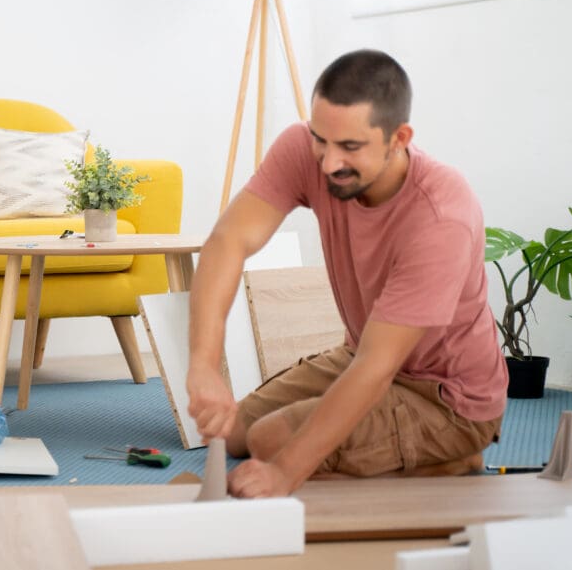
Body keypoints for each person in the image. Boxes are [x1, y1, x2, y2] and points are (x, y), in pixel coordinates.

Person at [186, 49, 508, 498]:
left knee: (270, 443)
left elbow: (378, 368)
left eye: (351, 148)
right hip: (363, 356)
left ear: (399, 137)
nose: (329, 162)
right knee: (233, 431)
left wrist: (284, 475)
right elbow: (227, 241)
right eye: (321, 139)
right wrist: (204, 365)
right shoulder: (305, 147)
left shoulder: (440, 216)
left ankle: (452, 459)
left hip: (444, 400)